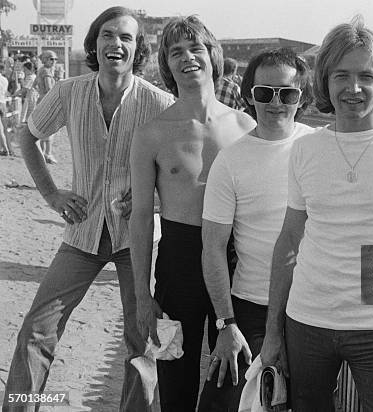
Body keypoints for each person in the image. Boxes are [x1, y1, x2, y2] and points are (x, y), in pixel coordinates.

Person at [260, 16, 373, 412]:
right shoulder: (306, 149)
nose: (354, 88)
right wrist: (273, 331)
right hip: (306, 321)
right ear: (325, 80)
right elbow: (289, 242)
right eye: (342, 75)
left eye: (366, 76)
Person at [3, 7, 174, 412]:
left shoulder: (159, 103)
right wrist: (52, 195)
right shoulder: (68, 92)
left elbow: (185, 167)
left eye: (126, 38)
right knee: (36, 332)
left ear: (138, 49)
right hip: (81, 234)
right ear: (95, 44)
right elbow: (27, 137)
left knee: (141, 338)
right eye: (108, 35)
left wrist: (156, 199)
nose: (116, 44)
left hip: (136, 240)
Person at [130, 16, 255, 412]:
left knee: (232, 374)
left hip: (236, 261)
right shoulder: (151, 133)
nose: (187, 58)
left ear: (212, 56)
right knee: (174, 377)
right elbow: (138, 217)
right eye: (176, 52)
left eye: (195, 48)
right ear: (167, 65)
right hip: (177, 266)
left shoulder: (245, 127)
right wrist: (141, 294)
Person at [197, 48, 314, 411]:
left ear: (302, 98)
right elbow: (213, 247)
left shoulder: (320, 148)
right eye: (265, 93)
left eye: (287, 93)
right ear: (249, 95)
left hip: (311, 309)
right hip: (249, 309)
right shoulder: (230, 159)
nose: (275, 102)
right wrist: (225, 324)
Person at [36, 50, 58, 164]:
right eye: (51, 59)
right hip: (48, 102)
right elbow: (49, 89)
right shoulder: (46, 71)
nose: (54, 61)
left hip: (41, 101)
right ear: (45, 59)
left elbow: (35, 85)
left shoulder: (41, 70)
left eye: (55, 59)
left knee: (43, 129)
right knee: (50, 129)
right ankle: (47, 154)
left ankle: (43, 153)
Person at [0, 64, 13, 156]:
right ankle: (7, 148)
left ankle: (5, 149)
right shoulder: (5, 80)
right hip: (3, 103)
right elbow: (6, 92)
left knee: (1, 129)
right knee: (4, 128)